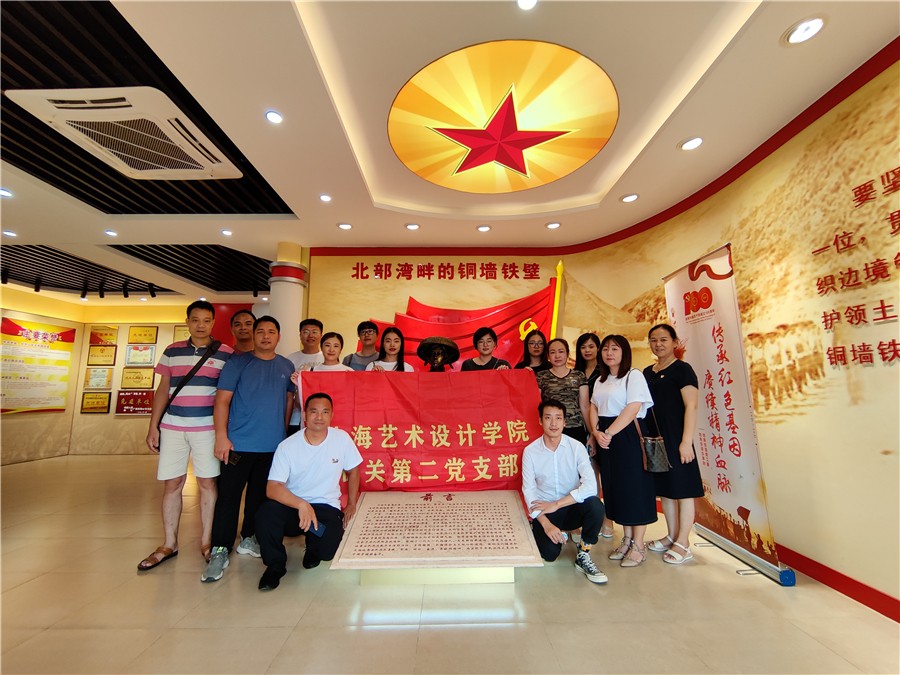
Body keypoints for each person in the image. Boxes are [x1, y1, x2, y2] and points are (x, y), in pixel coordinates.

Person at [139, 301, 234, 570]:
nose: (200, 325)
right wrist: (153, 425)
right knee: (172, 483)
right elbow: (163, 390)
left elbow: (227, 395)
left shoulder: (226, 354)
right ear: (187, 322)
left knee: (207, 483)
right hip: (172, 426)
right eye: (195, 320)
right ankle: (169, 543)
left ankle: (207, 542)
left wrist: (223, 432)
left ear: (213, 322)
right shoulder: (172, 351)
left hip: (207, 428)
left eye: (206, 320)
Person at [202, 316, 296, 583]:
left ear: (278, 336)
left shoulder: (286, 365)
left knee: (258, 497)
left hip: (271, 447)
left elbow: (288, 400)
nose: (266, 336)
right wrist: (221, 436)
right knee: (229, 499)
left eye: (271, 332)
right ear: (254, 335)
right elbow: (222, 402)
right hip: (238, 445)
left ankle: (248, 539)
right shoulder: (238, 363)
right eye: (261, 331)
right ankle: (220, 549)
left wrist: (282, 435)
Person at [255, 392, 362, 590]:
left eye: (325, 412)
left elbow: (353, 470)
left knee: (327, 551)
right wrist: (301, 504)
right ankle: (275, 565)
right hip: (294, 507)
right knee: (266, 514)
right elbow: (272, 488)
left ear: (331, 415)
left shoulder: (341, 439)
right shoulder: (287, 446)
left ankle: (313, 547)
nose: (319, 417)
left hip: (325, 507)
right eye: (314, 412)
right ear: (304, 415)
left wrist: (352, 504)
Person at [522, 398, 607, 584]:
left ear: (565, 422)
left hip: (570, 507)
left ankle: (583, 554)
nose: (553, 423)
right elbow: (529, 491)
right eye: (548, 418)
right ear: (540, 421)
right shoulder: (530, 451)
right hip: (546, 512)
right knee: (550, 554)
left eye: (558, 418)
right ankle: (554, 532)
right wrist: (546, 524)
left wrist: (557, 504)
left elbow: (591, 486)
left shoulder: (576, 447)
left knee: (595, 506)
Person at [588, 334, 656, 568]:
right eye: (605, 349)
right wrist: (596, 432)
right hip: (606, 436)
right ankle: (627, 540)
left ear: (624, 352)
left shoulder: (633, 375)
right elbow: (593, 406)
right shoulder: (601, 379)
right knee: (617, 488)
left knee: (635, 487)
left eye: (614, 349)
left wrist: (609, 432)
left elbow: (633, 407)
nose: (609, 353)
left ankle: (639, 545)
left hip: (627, 435)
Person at [643, 324, 702, 564]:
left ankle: (684, 543)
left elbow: (692, 406)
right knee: (666, 489)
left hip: (678, 438)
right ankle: (671, 535)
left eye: (663, 339)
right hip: (656, 440)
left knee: (684, 490)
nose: (658, 344)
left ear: (675, 343)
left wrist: (686, 441)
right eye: (653, 340)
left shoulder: (683, 370)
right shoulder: (647, 372)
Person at [575, 332, 614, 538]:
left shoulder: (605, 371)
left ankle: (609, 520)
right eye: (583, 347)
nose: (587, 350)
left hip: (602, 427)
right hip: (581, 428)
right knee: (590, 474)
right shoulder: (576, 372)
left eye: (591, 346)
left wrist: (594, 431)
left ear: (598, 348)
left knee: (605, 472)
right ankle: (594, 517)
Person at [535, 339, 590, 442]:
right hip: (551, 428)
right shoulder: (541, 376)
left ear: (567, 354)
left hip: (575, 427)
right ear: (548, 356)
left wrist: (592, 433)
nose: (557, 356)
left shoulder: (579, 376)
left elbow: (585, 406)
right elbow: (536, 404)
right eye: (552, 352)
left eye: (561, 351)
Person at [286, 318, 324, 435]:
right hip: (295, 418)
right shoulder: (291, 359)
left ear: (321, 335)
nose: (310, 335)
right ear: (300, 335)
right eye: (306, 332)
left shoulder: (326, 358)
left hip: (319, 417)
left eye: (314, 332)